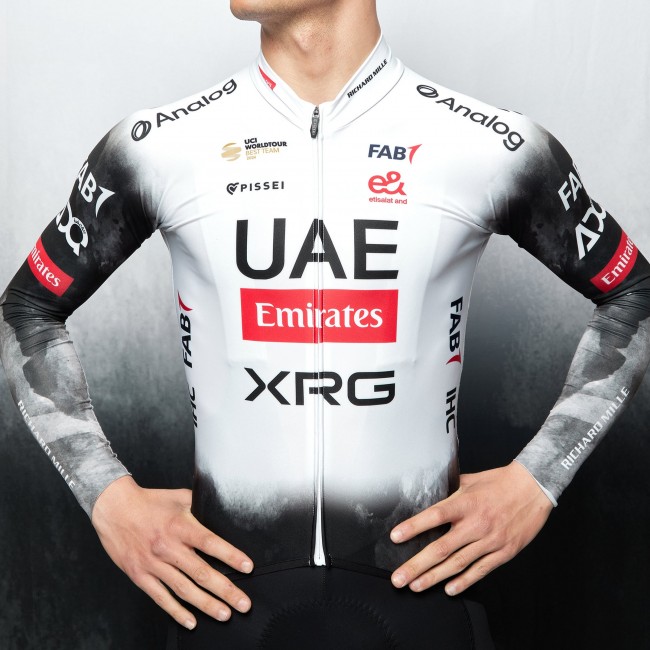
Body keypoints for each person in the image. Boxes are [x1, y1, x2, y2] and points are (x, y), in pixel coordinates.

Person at [2, 1, 649, 648]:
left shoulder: (490, 145)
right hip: (226, 607)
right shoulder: (158, 145)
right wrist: (107, 497)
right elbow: (27, 309)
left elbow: (634, 294)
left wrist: (539, 478)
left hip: (421, 604)